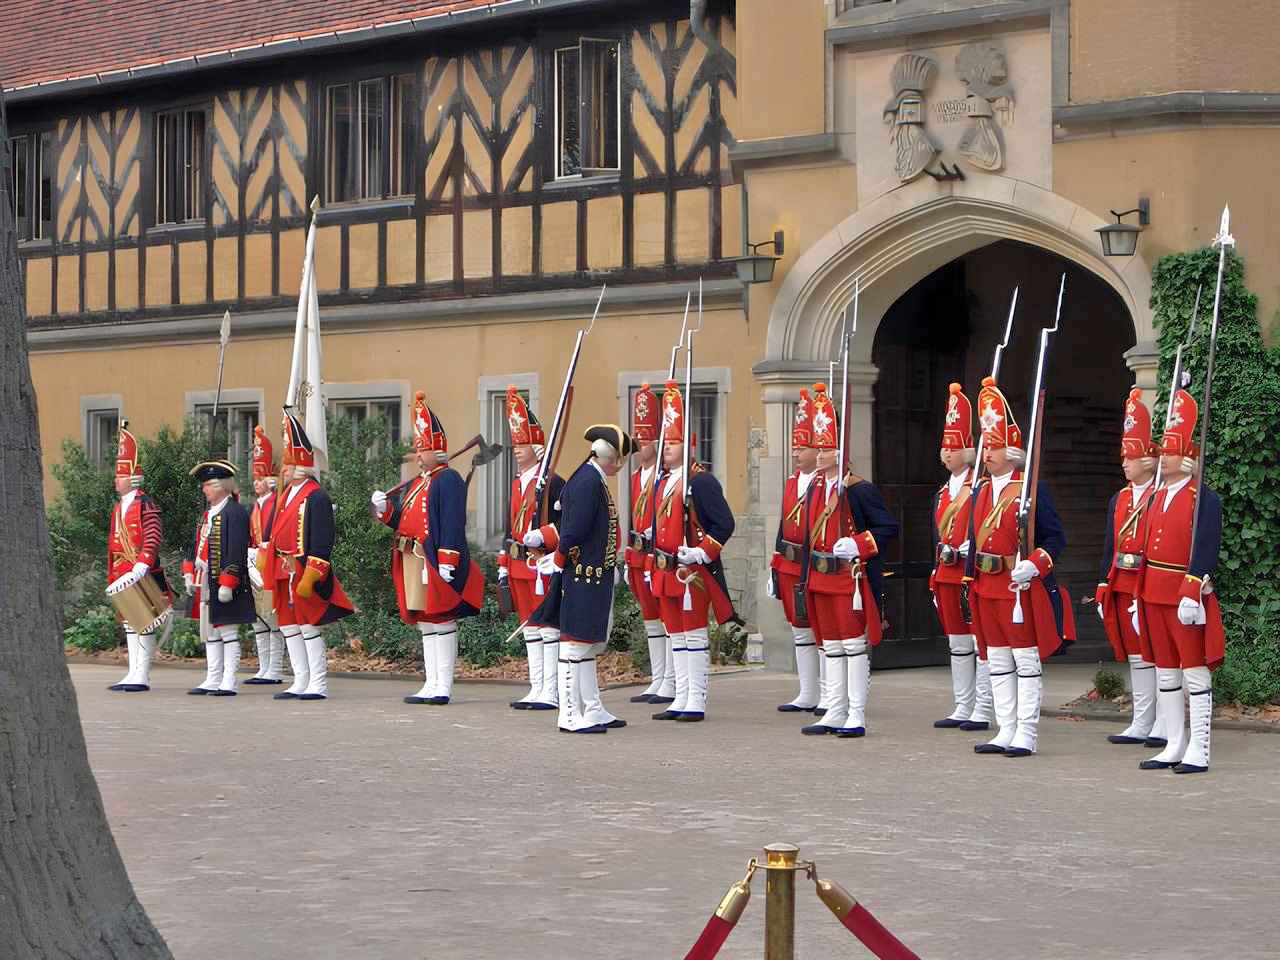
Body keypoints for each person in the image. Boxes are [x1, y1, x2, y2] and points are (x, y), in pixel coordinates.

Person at [966, 376, 1073, 757]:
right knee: (996, 659)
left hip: (1016, 586)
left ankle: (1026, 731)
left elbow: (1056, 539)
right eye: (985, 446)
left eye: (994, 447)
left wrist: (1035, 565)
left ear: (1012, 451)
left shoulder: (1030, 489)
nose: (988, 453)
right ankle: (1005, 727)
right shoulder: (978, 490)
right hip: (986, 584)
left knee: (1025, 660)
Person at [798, 384, 898, 738]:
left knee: (854, 647)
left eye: (826, 449)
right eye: (819, 448)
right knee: (830, 647)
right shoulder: (814, 488)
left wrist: (857, 544)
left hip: (848, 578)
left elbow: (887, 527)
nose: (820, 455)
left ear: (840, 452)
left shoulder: (858, 489)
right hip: (822, 577)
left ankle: (856, 713)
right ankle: (833, 708)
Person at [371, 392, 483, 705]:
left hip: (433, 558)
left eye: (423, 450)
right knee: (425, 619)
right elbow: (404, 520)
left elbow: (451, 523)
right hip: (413, 558)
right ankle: (430, 682)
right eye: (418, 450)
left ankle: (442, 685)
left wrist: (448, 560)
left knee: (442, 618)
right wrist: (384, 511)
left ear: (438, 450)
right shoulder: (421, 481)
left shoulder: (447, 480)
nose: (418, 456)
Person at [1136, 388, 1225, 774]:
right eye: (1162, 452)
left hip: (1183, 595)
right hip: (1154, 593)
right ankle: (1174, 742)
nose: (1162, 457)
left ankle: (1199, 748)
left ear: (1187, 458)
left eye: (1170, 452)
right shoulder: (1156, 497)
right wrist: (1139, 594)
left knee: (1194, 671)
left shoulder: (1203, 498)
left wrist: (1193, 589)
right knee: (1166, 671)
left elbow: (1206, 547)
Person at [648, 380, 739, 723]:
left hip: (691, 571)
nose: (667, 448)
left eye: (673, 442)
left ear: (688, 446)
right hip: (666, 569)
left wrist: (702, 552)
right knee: (675, 635)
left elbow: (724, 523)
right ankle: (680, 695)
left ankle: (696, 698)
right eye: (665, 442)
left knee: (694, 632)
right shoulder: (663, 480)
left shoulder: (700, 481)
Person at [534, 425, 635, 733]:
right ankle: (568, 714)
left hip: (594, 573)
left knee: (587, 646)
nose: (619, 466)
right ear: (611, 457)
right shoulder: (589, 481)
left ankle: (592, 708)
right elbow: (574, 529)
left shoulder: (590, 478)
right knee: (574, 646)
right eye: (619, 460)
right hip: (583, 575)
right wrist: (561, 558)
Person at [265, 410, 354, 701]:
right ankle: (300, 680)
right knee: (289, 626)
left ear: (301, 465)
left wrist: (313, 574)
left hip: (304, 570)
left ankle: (318, 682)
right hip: (284, 570)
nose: (283, 469)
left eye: (288, 463)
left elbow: (322, 540)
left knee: (308, 626)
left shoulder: (316, 496)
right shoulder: (286, 493)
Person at [1094, 389, 1161, 745]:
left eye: (1131, 457)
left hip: (1148, 582)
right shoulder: (1118, 498)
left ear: (1147, 460)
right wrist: (1104, 581)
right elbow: (1110, 544)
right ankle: (1141, 720)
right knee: (1136, 654)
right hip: (1122, 581)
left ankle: (1162, 723)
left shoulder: (1159, 494)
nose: (1124, 463)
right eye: (1123, 457)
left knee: (1158, 654)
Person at [496, 387, 564, 710]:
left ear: (537, 447)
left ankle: (551, 691)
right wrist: (502, 562)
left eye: (523, 445)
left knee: (547, 626)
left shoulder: (552, 482)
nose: (518, 450)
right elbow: (510, 526)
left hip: (541, 565)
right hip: (518, 565)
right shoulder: (516, 483)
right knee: (528, 626)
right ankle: (536, 687)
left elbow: (565, 526)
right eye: (516, 445)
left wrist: (545, 536)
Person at [930, 383, 992, 731]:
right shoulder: (942, 492)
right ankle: (962, 704)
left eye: (953, 448)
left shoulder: (978, 486)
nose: (947, 454)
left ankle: (982, 707)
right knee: (956, 642)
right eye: (944, 448)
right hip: (946, 572)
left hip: (970, 572)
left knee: (978, 641)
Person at [105, 421, 169, 693]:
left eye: (119, 476)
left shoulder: (145, 504)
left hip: (139, 570)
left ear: (132, 478)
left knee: (143, 622)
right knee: (131, 623)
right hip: (122, 570)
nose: (115, 480)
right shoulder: (119, 507)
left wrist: (143, 562)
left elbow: (153, 534)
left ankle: (142, 674)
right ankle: (132, 672)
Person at [182, 460, 255, 696]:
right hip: (205, 579)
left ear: (221, 486)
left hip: (223, 580)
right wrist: (188, 571)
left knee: (228, 631)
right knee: (210, 631)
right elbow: (196, 546)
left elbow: (235, 550)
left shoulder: (235, 512)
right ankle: (212, 678)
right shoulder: (207, 514)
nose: (204, 490)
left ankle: (229, 680)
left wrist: (228, 582)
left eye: (208, 485)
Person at [770, 388, 821, 713]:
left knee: (823, 631)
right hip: (789, 565)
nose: (797, 453)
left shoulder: (825, 482)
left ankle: (831, 693)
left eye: (803, 447)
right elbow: (782, 525)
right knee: (799, 630)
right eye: (795, 446)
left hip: (814, 565)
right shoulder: (792, 481)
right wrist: (775, 567)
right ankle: (807, 691)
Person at [623, 383, 672, 705]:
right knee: (651, 619)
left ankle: (671, 680)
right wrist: (627, 558)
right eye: (638, 439)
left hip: (659, 556)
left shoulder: (664, 475)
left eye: (645, 439)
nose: (640, 445)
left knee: (668, 619)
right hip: (639, 555)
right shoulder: (635, 476)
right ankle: (658, 678)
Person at [244, 425, 286, 685]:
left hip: (270, 564)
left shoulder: (276, 502)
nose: (256, 483)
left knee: (273, 619)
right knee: (257, 619)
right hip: (254, 564)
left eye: (260, 479)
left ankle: (275, 668)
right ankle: (263, 667)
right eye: (254, 479)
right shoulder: (255, 506)